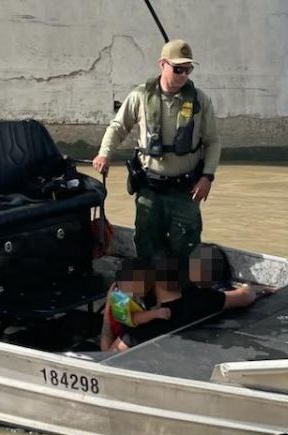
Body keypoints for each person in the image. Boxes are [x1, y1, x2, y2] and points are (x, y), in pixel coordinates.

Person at [92, 39, 221, 261]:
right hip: (150, 189)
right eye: (178, 69)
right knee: (147, 243)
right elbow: (118, 127)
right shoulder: (141, 96)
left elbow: (213, 141)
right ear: (162, 64)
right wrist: (104, 153)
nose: (183, 75)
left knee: (186, 246)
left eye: (188, 70)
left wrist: (207, 176)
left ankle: (182, 292)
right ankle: (149, 292)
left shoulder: (200, 100)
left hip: (186, 190)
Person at [112, 254, 273, 352]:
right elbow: (244, 296)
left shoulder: (145, 324)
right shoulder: (201, 299)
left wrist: (108, 310)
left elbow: (107, 354)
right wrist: (253, 288)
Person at [100, 258, 172, 351]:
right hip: (120, 331)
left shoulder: (145, 292)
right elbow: (134, 318)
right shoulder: (120, 297)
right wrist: (156, 313)